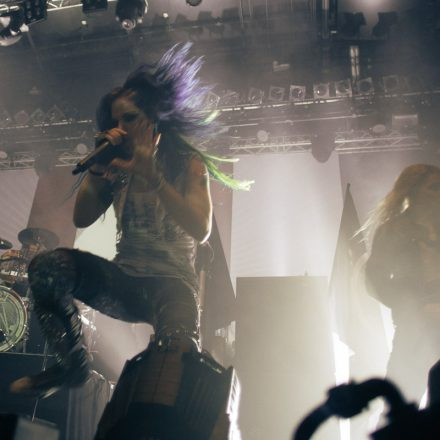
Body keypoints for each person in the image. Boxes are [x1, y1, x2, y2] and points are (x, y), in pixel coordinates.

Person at [9, 43, 250, 398]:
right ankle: (72, 366)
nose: (120, 129)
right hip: (125, 284)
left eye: (130, 119)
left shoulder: (187, 163)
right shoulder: (116, 165)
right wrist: (96, 171)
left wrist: (153, 176)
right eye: (115, 121)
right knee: (46, 267)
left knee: (175, 361)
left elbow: (201, 229)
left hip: (172, 287)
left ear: (153, 119)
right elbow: (82, 217)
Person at [364, 163, 440, 404]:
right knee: (403, 397)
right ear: (413, 191)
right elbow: (374, 278)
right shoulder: (393, 230)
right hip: (415, 326)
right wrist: (415, 307)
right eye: (433, 187)